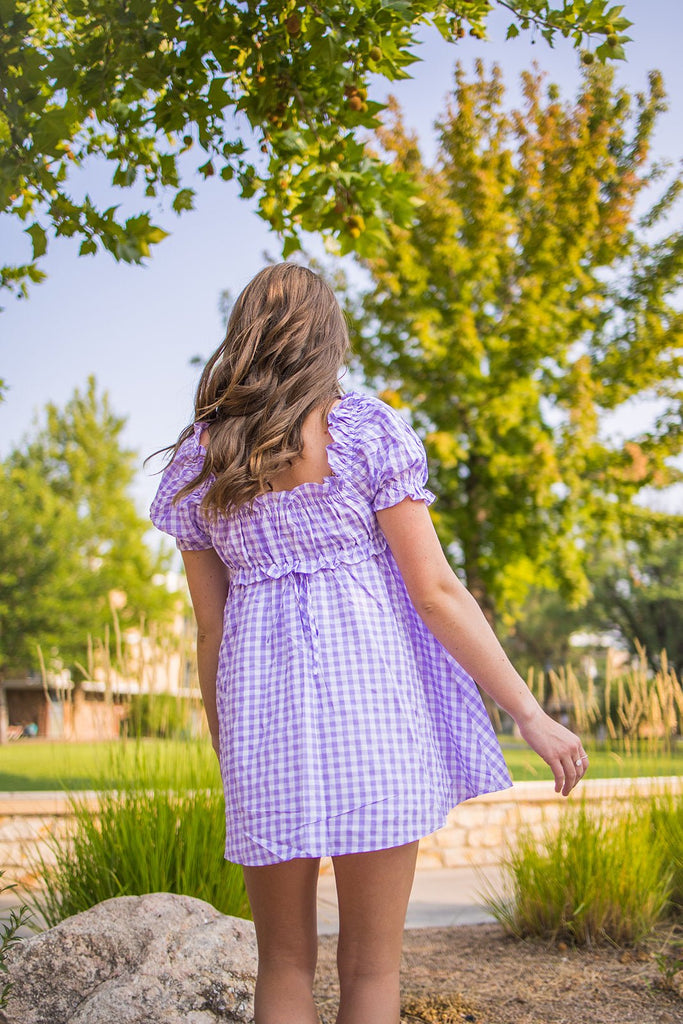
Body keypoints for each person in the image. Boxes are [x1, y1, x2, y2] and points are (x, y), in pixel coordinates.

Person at [149, 262, 589, 1024]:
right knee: (370, 974)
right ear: (329, 339)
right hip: (372, 721)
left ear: (243, 336)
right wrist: (527, 710)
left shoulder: (203, 459)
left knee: (282, 966)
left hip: (263, 721)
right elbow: (436, 592)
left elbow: (209, 629)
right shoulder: (362, 431)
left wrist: (232, 753)